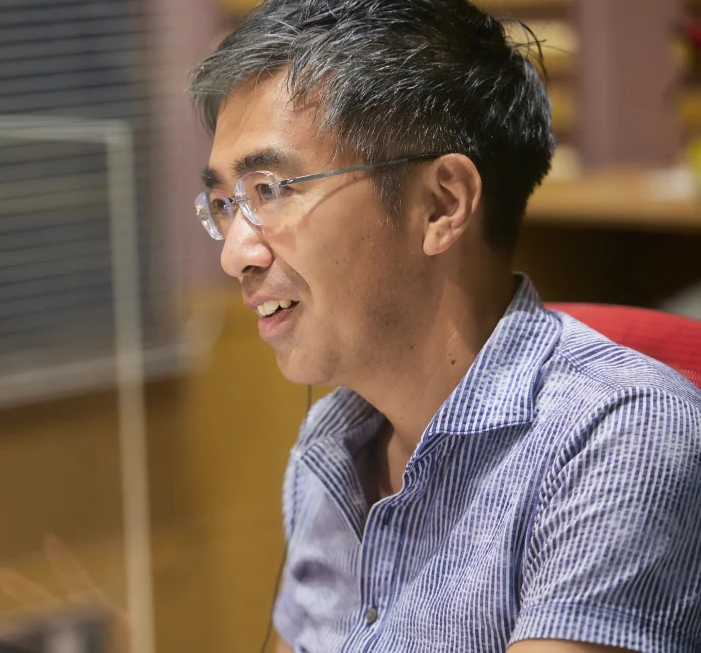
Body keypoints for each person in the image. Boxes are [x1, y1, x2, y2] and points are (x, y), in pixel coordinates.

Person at [187, 1, 701, 652]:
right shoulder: (333, 444)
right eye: (224, 203)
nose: (235, 254)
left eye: (269, 190)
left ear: (441, 204)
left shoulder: (618, 437)